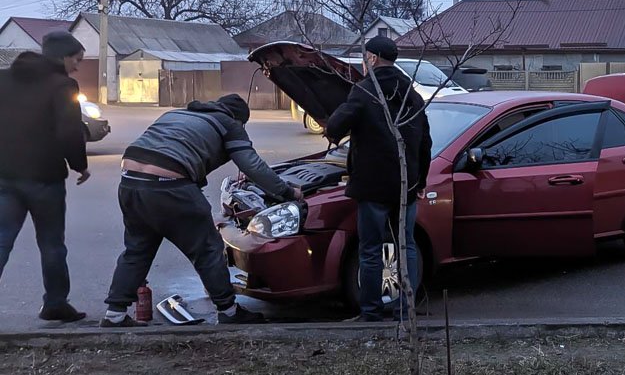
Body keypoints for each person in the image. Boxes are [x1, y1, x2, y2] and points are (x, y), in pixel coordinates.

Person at [101, 94, 302, 327]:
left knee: (137, 250)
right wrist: (287, 192)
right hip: (171, 188)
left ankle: (114, 315)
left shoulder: (175, 114)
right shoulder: (229, 124)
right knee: (208, 249)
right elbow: (252, 165)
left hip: (130, 183)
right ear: (239, 119)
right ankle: (229, 311)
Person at [325, 36, 432, 322]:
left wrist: (334, 123)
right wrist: (420, 182)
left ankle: (370, 312)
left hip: (372, 187)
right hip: (406, 186)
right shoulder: (412, 95)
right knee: (406, 246)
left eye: (365, 58)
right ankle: (405, 310)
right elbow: (425, 143)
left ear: (372, 58)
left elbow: (335, 126)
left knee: (371, 250)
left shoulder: (365, 91)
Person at [0, 31, 91, 322]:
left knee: (2, 240)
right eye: (76, 60)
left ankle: (56, 303)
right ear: (63, 57)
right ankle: (55, 303)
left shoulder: (3, 78)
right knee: (51, 244)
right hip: (44, 178)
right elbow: (69, 131)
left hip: (5, 175)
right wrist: (80, 165)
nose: (77, 66)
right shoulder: (63, 85)